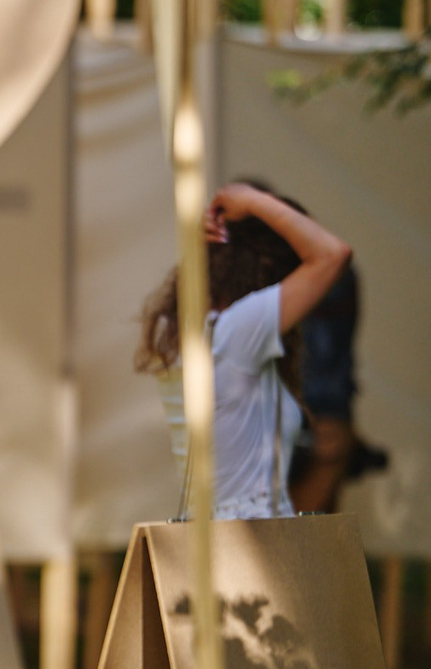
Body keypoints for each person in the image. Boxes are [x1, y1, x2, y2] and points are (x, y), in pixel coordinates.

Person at [133, 181, 352, 520]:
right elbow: (332, 255)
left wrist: (210, 245)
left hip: (217, 538)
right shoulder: (237, 331)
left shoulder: (187, 332)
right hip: (253, 543)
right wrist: (256, 201)